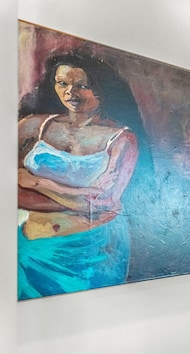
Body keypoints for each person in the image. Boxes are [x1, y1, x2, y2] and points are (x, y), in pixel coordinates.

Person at [18, 52, 142, 300]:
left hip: (94, 249)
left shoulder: (121, 138)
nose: (70, 93)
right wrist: (80, 196)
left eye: (82, 85)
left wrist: (39, 183)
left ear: (101, 88)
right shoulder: (31, 126)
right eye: (62, 83)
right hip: (31, 246)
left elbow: (106, 202)